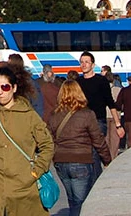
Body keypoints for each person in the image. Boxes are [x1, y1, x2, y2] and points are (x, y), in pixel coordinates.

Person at [0, 66, 55, 216]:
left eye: (5, 87)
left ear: (13, 88)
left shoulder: (29, 115)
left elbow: (47, 145)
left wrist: (35, 172)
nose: (0, 92)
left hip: (24, 187)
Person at [47, 80, 111, 216]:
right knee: (80, 202)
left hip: (61, 162)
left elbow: (49, 140)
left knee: (72, 200)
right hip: (81, 160)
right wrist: (107, 160)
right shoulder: (87, 114)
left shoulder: (54, 115)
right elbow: (98, 139)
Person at [76, 51, 122, 189]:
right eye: (82, 62)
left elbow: (110, 103)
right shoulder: (78, 82)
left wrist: (118, 124)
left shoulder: (101, 81)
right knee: (85, 153)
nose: (84, 65)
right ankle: (90, 182)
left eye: (86, 62)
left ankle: (96, 184)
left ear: (93, 64)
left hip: (98, 121)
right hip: (82, 122)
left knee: (95, 152)